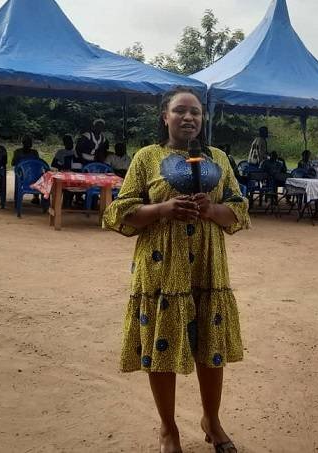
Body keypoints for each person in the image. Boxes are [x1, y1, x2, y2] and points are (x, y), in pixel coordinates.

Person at [103, 86, 249, 453]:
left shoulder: (218, 158)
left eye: (196, 112)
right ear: (165, 117)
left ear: (203, 118)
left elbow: (239, 209)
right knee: (162, 345)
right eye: (180, 111)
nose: (189, 118)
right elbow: (119, 213)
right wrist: (162, 210)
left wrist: (212, 210)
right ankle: (168, 429)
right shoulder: (147, 158)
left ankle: (211, 421)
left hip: (207, 269)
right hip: (161, 270)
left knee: (210, 347)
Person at [12, 135, 41, 204]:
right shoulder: (18, 152)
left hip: (31, 174)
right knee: (37, 176)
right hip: (23, 174)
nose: (28, 144)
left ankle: (36, 197)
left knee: (39, 175)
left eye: (29, 143)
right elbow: (13, 163)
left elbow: (38, 164)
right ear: (23, 143)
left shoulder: (34, 152)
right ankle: (35, 197)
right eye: (26, 142)